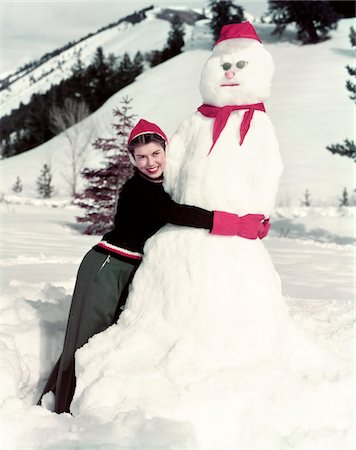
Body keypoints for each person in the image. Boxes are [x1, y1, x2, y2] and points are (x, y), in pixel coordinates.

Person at [37, 119, 268, 414]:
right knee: (83, 340)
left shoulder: (164, 185)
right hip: (106, 267)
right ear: (133, 159)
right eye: (142, 157)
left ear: (165, 151)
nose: (150, 162)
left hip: (127, 270)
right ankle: (58, 407)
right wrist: (235, 224)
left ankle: (78, 403)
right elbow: (178, 213)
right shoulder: (138, 189)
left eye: (156, 154)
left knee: (104, 340)